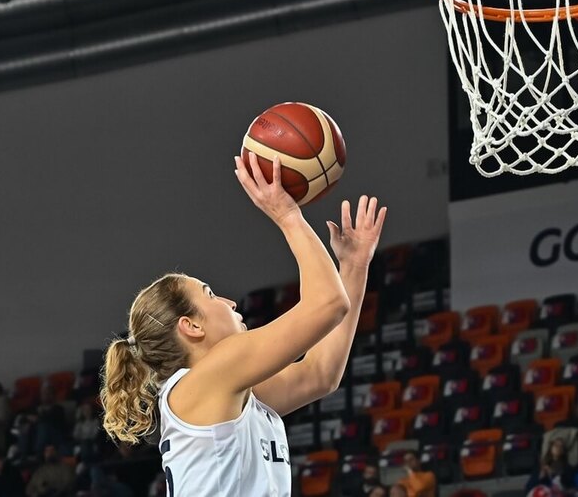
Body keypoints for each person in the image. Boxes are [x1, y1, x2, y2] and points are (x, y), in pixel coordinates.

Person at [100, 154, 387, 497]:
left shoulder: (225, 388)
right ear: (190, 326)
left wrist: (354, 267)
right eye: (209, 294)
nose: (229, 302)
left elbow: (319, 374)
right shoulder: (208, 378)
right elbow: (327, 304)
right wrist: (286, 215)